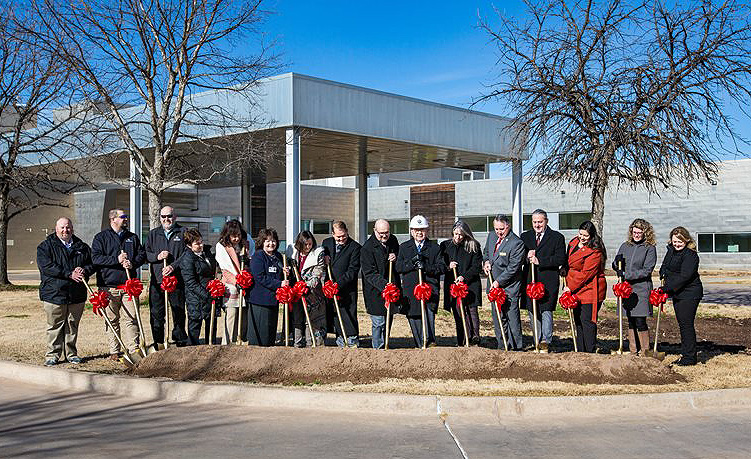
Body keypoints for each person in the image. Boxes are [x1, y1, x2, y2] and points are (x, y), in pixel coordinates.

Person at [36, 217, 95, 366]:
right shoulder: (45, 247)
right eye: (62, 227)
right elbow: (47, 267)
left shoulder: (82, 246)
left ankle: (71, 354)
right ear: (56, 229)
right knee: (54, 326)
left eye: (68, 227)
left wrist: (84, 270)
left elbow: (92, 263)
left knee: (72, 325)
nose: (65, 230)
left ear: (72, 229)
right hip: (54, 293)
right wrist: (69, 273)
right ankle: (52, 355)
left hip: (76, 294)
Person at [91, 209, 146, 360]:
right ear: (113, 219)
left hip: (128, 286)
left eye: (126, 216)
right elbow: (96, 259)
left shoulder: (132, 237)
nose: (126, 219)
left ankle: (134, 349)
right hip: (109, 287)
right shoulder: (101, 238)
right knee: (112, 319)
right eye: (123, 217)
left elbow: (141, 255)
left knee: (132, 318)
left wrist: (132, 263)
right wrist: (117, 259)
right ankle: (114, 350)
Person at [521, 209, 567, 352]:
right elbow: (518, 257)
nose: (537, 224)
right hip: (530, 279)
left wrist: (540, 260)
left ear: (546, 221)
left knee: (546, 310)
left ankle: (546, 340)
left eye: (540, 221)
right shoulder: (525, 237)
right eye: (535, 222)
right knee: (532, 310)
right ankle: (537, 339)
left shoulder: (557, 237)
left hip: (548, 280)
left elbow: (560, 258)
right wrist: (526, 256)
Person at [395, 215, 444, 348]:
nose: (419, 232)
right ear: (411, 231)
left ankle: (429, 342)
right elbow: (398, 267)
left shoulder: (435, 248)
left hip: (429, 290)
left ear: (427, 231)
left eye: (422, 230)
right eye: (416, 230)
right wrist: (411, 263)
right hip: (411, 291)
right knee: (414, 318)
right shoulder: (404, 247)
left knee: (428, 317)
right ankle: (419, 345)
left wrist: (426, 267)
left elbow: (441, 267)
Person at [144, 205, 188, 347]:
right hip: (158, 281)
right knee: (157, 312)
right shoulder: (153, 234)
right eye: (163, 217)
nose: (166, 219)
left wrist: (172, 266)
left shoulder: (183, 232)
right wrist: (157, 256)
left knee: (178, 312)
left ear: (174, 217)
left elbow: (187, 254)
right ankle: (159, 341)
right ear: (160, 218)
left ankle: (179, 340)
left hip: (177, 280)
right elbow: (146, 255)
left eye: (169, 216)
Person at [659, 227, 703, 366]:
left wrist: (665, 288)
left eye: (680, 241)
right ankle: (687, 353)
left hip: (689, 293)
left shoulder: (691, 255)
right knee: (682, 324)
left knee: (686, 325)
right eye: (674, 241)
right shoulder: (671, 251)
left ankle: (689, 357)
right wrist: (662, 272)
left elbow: (685, 276)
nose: (677, 244)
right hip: (678, 292)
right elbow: (665, 265)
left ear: (686, 240)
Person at [613, 219, 657, 355]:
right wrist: (617, 267)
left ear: (645, 233)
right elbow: (616, 262)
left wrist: (628, 275)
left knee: (640, 320)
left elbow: (647, 270)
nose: (636, 235)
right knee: (630, 319)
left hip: (641, 288)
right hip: (626, 289)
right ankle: (633, 350)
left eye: (639, 232)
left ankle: (645, 351)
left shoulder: (649, 248)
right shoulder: (625, 246)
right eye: (634, 232)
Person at [483, 215, 526, 350]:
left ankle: (516, 347)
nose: (498, 232)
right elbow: (486, 253)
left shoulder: (516, 243)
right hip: (494, 287)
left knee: (512, 318)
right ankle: (502, 346)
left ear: (508, 226)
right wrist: (486, 262)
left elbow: (513, 267)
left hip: (509, 287)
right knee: (498, 318)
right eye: (496, 229)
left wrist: (498, 282)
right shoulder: (491, 236)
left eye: (501, 229)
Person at [564, 221, 607, 353]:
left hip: (589, 289)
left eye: (585, 236)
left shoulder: (595, 251)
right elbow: (568, 260)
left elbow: (586, 274)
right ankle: (580, 351)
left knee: (587, 321)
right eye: (580, 234)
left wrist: (569, 287)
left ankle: (589, 352)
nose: (582, 237)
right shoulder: (573, 243)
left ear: (591, 236)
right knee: (578, 321)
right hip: (575, 288)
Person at [441, 220, 482, 346]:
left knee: (471, 311)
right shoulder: (445, 246)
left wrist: (464, 277)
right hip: (453, 285)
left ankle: (474, 337)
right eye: (455, 234)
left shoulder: (473, 245)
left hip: (470, 284)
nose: (457, 237)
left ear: (465, 234)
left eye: (460, 234)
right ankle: (462, 340)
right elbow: (440, 263)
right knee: (459, 312)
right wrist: (448, 266)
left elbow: (476, 266)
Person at [360, 219, 401, 349]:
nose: (384, 235)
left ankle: (385, 344)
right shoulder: (367, 248)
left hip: (391, 288)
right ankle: (378, 347)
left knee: (388, 319)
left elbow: (399, 256)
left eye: (387, 232)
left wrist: (395, 256)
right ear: (374, 231)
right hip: (375, 291)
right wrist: (385, 285)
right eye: (381, 233)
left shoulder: (393, 240)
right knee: (379, 322)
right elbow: (369, 273)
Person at [322, 221, 361, 347]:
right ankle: (339, 338)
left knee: (348, 313)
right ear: (333, 234)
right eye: (338, 237)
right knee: (334, 314)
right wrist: (324, 258)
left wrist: (337, 285)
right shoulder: (326, 243)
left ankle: (352, 339)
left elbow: (352, 270)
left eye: (344, 236)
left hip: (346, 288)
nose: (341, 239)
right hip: (329, 287)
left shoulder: (355, 247)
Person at [248, 228, 289, 346]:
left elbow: (279, 274)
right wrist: (279, 284)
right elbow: (260, 277)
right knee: (261, 332)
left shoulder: (278, 257)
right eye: (267, 241)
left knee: (270, 330)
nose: (271, 243)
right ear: (262, 242)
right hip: (260, 300)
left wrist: (285, 273)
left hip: (273, 300)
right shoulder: (258, 256)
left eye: (273, 241)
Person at [287, 231, 326, 347]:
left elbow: (318, 274)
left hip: (311, 292)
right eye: (305, 245)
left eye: (310, 244)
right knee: (297, 317)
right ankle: (297, 342)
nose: (308, 247)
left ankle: (311, 342)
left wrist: (306, 286)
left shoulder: (318, 253)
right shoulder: (293, 254)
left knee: (311, 319)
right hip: (295, 291)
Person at [179, 228, 218, 345]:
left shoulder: (207, 253)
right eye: (197, 244)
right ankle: (191, 354)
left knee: (211, 328)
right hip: (196, 300)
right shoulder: (187, 259)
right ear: (189, 245)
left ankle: (211, 350)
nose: (201, 245)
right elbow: (190, 282)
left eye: (201, 241)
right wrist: (207, 295)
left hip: (210, 296)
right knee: (194, 329)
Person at [215, 220, 250, 345]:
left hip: (245, 285)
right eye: (234, 236)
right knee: (231, 315)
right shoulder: (222, 247)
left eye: (239, 235)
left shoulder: (244, 245)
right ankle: (227, 342)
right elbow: (225, 269)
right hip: (231, 286)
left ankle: (239, 339)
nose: (236, 238)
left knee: (243, 318)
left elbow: (248, 263)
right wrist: (237, 281)